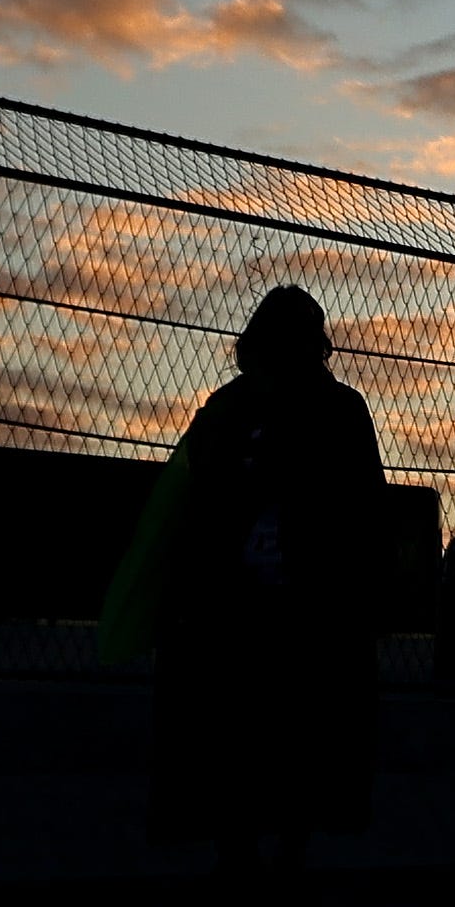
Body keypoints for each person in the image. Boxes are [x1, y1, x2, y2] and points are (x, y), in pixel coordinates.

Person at [139, 282, 392, 875]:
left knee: (267, 737)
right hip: (258, 604)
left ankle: (265, 856)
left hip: (284, 603)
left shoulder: (268, 410)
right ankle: (264, 856)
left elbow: (361, 508)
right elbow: (366, 510)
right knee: (271, 737)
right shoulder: (247, 410)